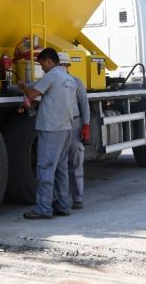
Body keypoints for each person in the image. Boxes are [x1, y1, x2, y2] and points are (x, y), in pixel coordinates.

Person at [17, 48, 76, 219]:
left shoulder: (51, 76)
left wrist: (23, 87)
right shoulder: (68, 78)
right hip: (66, 127)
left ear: (49, 61)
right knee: (61, 168)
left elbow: (33, 96)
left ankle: (43, 208)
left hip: (52, 128)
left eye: (42, 64)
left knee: (45, 168)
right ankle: (62, 205)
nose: (42, 68)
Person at [58, 52, 91, 210]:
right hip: (59, 125)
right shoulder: (53, 82)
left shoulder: (76, 82)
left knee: (76, 161)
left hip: (75, 124)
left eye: (64, 65)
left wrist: (86, 125)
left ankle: (78, 198)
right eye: (59, 65)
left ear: (68, 66)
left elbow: (85, 105)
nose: (62, 68)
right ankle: (63, 200)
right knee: (61, 164)